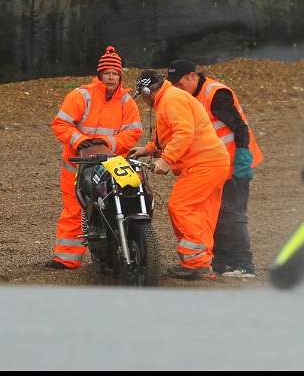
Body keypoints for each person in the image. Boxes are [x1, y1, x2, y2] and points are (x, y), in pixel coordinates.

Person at [128, 70, 232, 280]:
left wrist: (166, 160)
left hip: (203, 163)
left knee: (181, 206)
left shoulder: (171, 100)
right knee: (201, 213)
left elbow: (184, 133)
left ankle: (195, 264)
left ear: (147, 92)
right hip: (215, 161)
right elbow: (173, 133)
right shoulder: (171, 97)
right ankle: (202, 262)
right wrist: (148, 150)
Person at [47, 45, 144, 270]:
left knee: (117, 205)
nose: (111, 77)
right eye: (107, 73)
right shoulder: (81, 95)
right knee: (75, 209)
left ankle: (118, 254)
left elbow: (134, 132)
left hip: (111, 163)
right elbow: (61, 124)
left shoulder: (126, 101)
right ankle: (67, 259)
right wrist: (79, 141)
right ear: (100, 75)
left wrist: (109, 143)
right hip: (78, 165)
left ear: (120, 76)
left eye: (115, 73)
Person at [166, 59, 263, 278]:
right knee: (213, 213)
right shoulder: (191, 96)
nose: (177, 89)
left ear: (192, 76)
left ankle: (243, 264)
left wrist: (242, 159)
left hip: (234, 162)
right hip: (214, 164)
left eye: (180, 84)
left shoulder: (216, 93)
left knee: (232, 213)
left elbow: (240, 127)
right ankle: (218, 262)